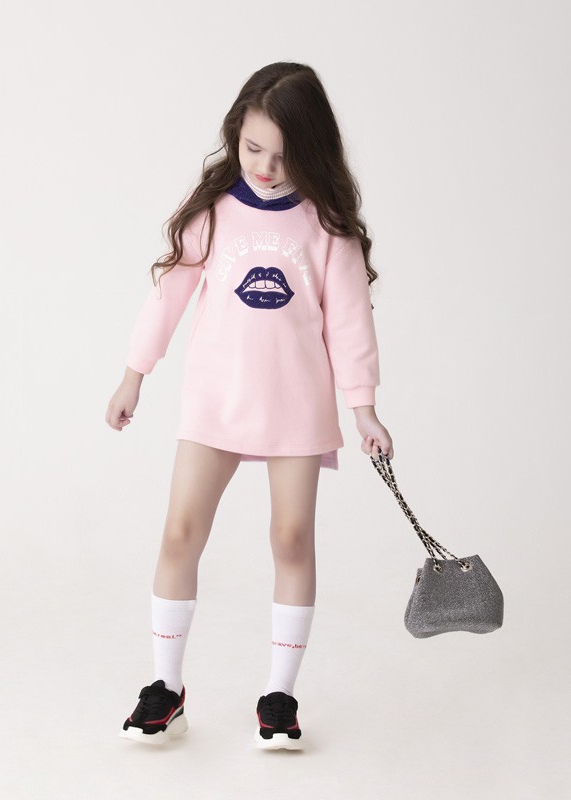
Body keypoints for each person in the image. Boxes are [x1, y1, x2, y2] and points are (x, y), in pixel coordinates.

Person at [105, 61, 394, 751]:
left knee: (291, 540)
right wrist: (133, 375)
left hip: (297, 407)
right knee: (180, 532)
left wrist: (363, 409)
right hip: (216, 400)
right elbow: (167, 295)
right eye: (252, 147)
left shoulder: (327, 226)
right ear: (235, 134)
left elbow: (350, 323)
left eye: (283, 156)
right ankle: (166, 687)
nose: (264, 167)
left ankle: (279, 696)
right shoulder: (212, 211)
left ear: (312, 152)